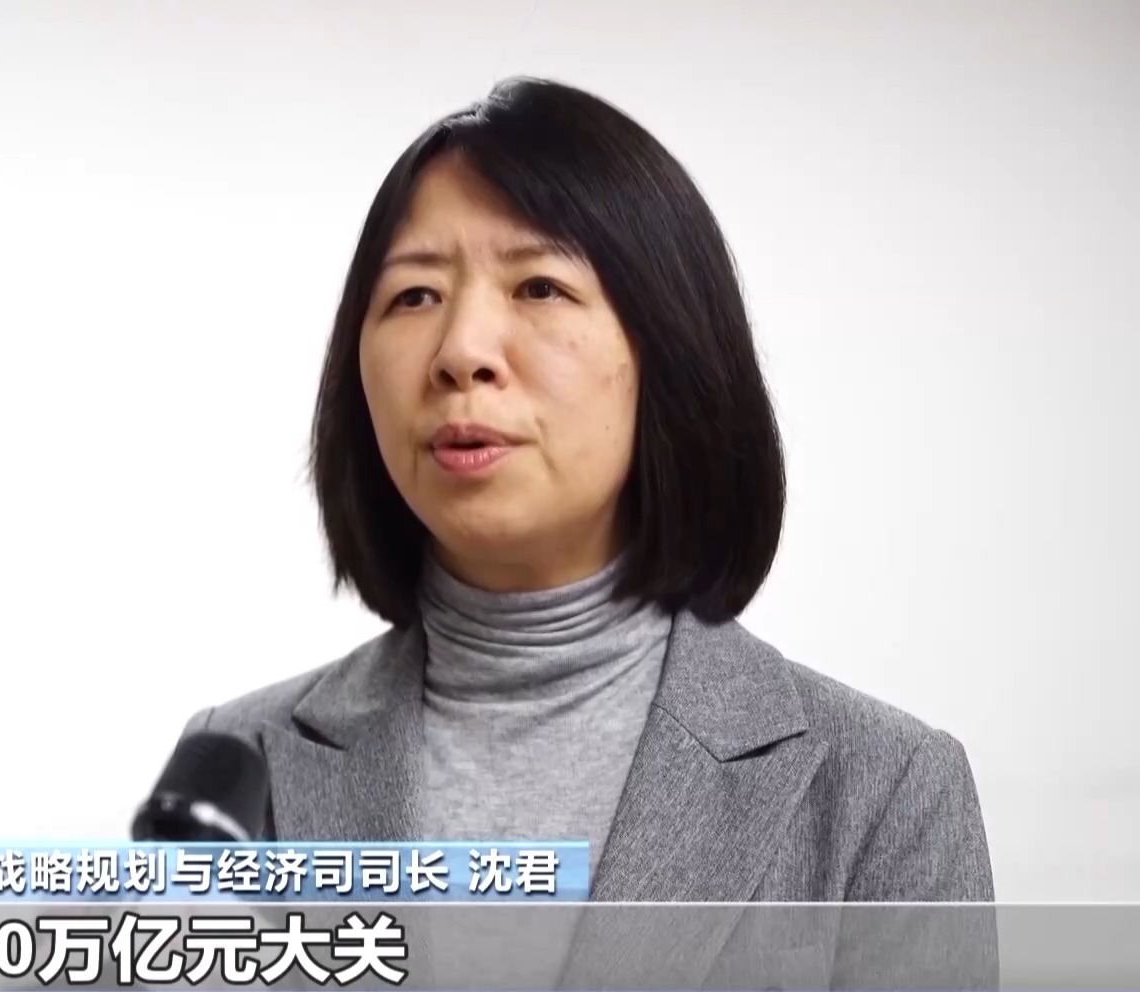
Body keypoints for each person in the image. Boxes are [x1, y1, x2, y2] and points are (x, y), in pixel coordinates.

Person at [176, 78, 994, 907]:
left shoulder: (884, 791)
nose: (461, 352)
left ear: (669, 349)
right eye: (414, 295)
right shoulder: (233, 769)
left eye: (540, 287)